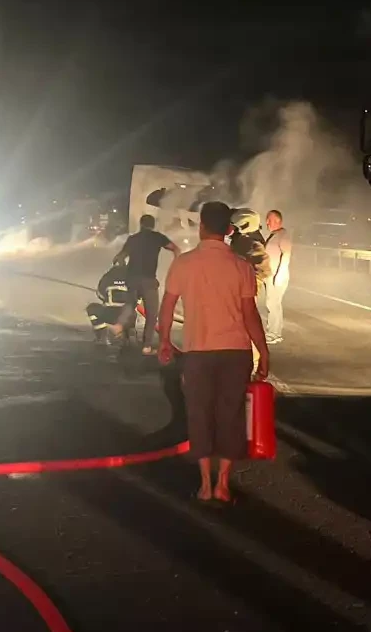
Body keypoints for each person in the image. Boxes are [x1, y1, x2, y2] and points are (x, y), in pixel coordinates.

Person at [158, 201, 269, 503]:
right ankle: (223, 484)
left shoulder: (183, 264)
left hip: (198, 351)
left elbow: (167, 306)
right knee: (230, 415)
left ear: (202, 226)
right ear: (229, 230)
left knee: (199, 413)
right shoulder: (241, 266)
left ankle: (205, 485)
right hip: (236, 351)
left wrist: (165, 340)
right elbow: (250, 315)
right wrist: (264, 351)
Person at [113, 214, 179, 354]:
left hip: (132, 278)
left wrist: (121, 267)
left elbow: (120, 257)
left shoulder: (133, 239)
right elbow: (175, 248)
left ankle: (119, 324)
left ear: (141, 224)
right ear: (152, 225)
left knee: (130, 304)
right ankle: (146, 346)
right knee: (151, 313)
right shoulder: (157, 237)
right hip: (149, 280)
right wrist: (177, 263)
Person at [263, 209, 292, 345]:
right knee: (274, 304)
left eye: (270, 219)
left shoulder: (283, 235)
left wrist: (279, 275)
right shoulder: (275, 235)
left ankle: (273, 333)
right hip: (272, 275)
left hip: (277, 276)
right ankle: (276, 333)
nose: (267, 222)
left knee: (273, 304)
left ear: (278, 221)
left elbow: (286, 255)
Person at [228, 208, 271, 294]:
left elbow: (262, 271)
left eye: (234, 227)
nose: (231, 229)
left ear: (244, 226)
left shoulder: (252, 244)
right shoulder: (241, 240)